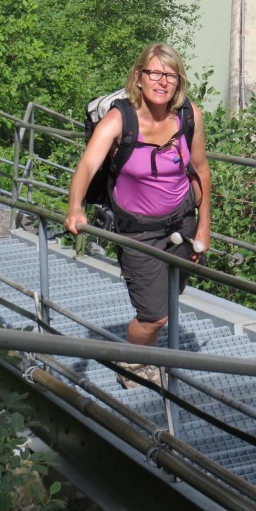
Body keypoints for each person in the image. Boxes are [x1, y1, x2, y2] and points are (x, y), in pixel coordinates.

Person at [65, 43, 211, 388]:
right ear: (138, 77)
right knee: (154, 316)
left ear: (179, 82)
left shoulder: (189, 115)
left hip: (182, 224)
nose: (162, 81)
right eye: (154, 73)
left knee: (170, 296)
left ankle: (147, 351)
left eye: (171, 75)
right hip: (138, 233)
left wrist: (204, 226)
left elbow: (201, 170)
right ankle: (132, 362)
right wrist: (75, 207)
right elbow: (87, 165)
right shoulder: (120, 120)